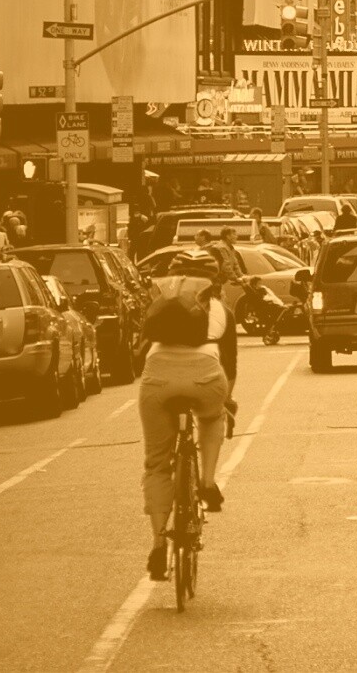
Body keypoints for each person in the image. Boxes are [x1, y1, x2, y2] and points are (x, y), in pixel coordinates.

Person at [136, 248, 237, 581]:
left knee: (156, 464)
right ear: (214, 280)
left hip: (158, 374)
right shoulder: (220, 309)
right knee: (212, 416)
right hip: (205, 374)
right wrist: (227, 401)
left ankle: (157, 544)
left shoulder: (161, 301)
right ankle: (206, 482)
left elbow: (141, 349)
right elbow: (230, 367)